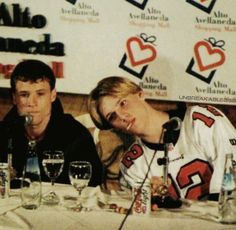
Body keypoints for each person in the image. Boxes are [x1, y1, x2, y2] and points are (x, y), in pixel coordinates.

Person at [88, 76, 236, 203]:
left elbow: (230, 188)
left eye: (123, 103)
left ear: (140, 94)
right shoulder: (132, 165)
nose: (122, 116)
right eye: (112, 116)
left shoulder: (201, 121)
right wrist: (156, 201)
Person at [0, 59, 104, 187]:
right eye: (24, 95)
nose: (32, 103)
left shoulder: (76, 136)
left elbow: (92, 185)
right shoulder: (4, 133)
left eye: (40, 94)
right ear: (14, 98)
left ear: (53, 95)